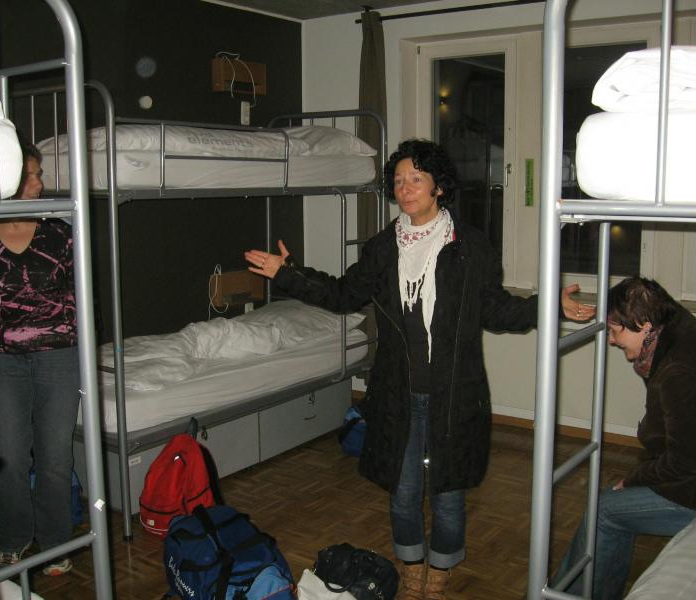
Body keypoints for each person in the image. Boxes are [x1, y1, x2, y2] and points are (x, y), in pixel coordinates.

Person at [245, 139, 593, 599]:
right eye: (398, 181)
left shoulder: (469, 246)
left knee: (448, 493)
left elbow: (495, 309)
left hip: (456, 392)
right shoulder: (382, 248)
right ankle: (412, 569)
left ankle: (441, 573)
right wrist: (288, 273)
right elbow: (344, 294)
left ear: (438, 187)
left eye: (416, 178)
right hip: (397, 392)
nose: (405, 188)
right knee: (404, 490)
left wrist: (549, 306)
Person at [553, 276, 696, 599]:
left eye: (615, 330)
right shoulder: (691, 338)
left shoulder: (682, 369)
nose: (612, 341)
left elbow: (686, 462)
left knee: (604, 510)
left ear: (644, 325)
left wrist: (634, 479)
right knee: (611, 501)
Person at [0, 144, 79, 577]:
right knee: (7, 454)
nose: (39, 182)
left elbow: (81, 298)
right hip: (1, 360)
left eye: (39, 173)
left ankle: (56, 542)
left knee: (54, 457)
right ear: (6, 179)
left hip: (58, 355)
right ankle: (14, 538)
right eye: (30, 175)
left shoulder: (58, 231)